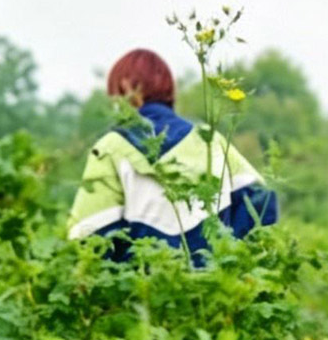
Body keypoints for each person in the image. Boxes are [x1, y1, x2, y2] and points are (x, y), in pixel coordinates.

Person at [66, 48, 279, 259]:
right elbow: (261, 201)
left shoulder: (111, 147)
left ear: (128, 88)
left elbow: (88, 235)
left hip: (145, 289)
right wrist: (229, 256)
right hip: (216, 287)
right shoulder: (209, 139)